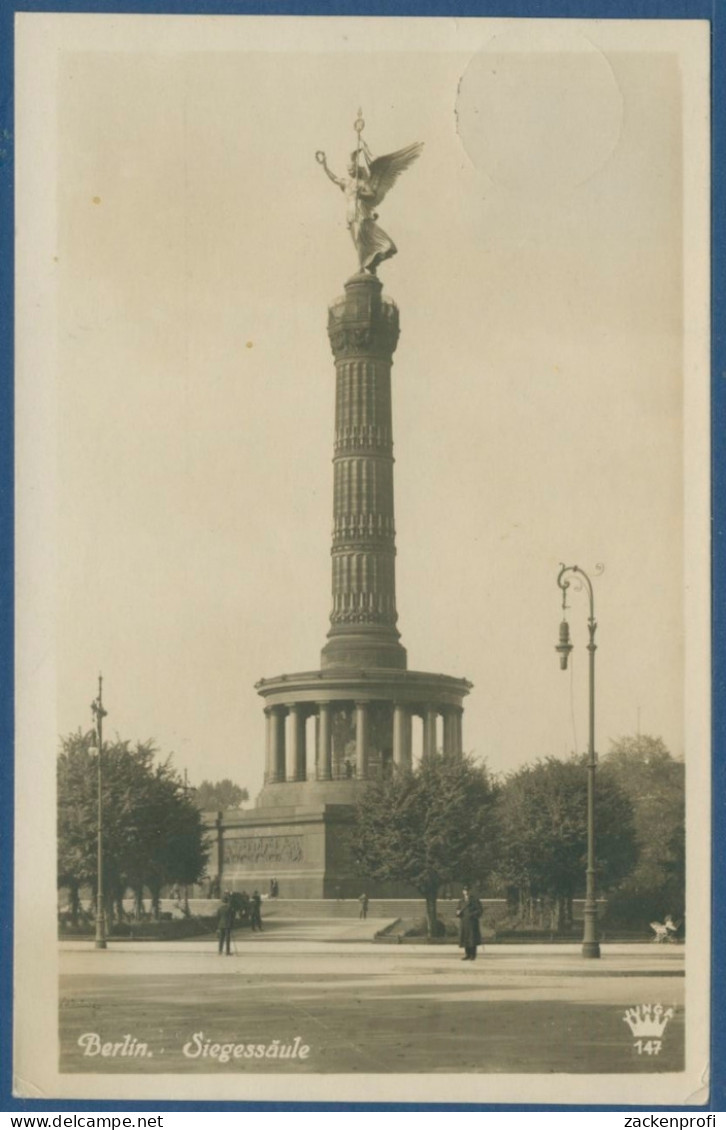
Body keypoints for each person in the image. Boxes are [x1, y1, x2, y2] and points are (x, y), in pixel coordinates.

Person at [456, 885, 483, 961]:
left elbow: (479, 910)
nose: (466, 892)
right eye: (465, 891)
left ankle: (473, 955)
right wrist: (458, 913)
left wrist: (472, 915)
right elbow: (457, 910)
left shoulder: (474, 900)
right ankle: (467, 954)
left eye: (467, 890)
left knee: (472, 939)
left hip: (472, 922)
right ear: (463, 892)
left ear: (470, 891)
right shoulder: (461, 901)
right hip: (464, 922)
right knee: (465, 938)